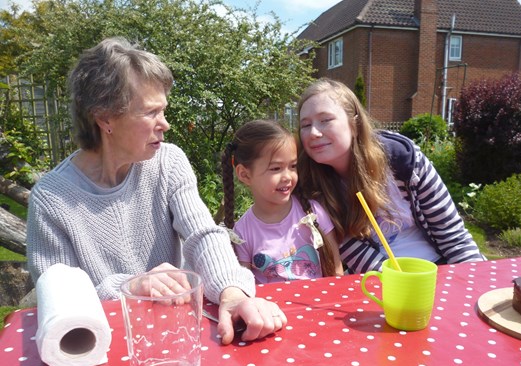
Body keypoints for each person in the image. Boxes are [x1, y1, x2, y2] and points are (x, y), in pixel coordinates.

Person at [26, 37, 286, 345]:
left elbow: (202, 234)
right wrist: (131, 287)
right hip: (101, 348)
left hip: (174, 338)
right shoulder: (51, 199)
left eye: (163, 111)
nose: (165, 124)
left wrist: (232, 292)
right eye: (151, 112)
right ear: (105, 118)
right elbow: (60, 299)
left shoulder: (168, 161)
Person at [297, 78, 485, 273]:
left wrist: (471, 278)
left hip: (439, 268)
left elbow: (453, 237)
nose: (313, 133)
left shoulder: (403, 159)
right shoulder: (310, 185)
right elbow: (354, 252)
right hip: (381, 278)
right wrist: (398, 282)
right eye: (305, 125)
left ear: (354, 124)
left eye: (325, 120)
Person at [221, 119, 343, 283]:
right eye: (276, 168)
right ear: (244, 174)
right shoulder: (242, 232)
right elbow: (244, 287)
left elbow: (336, 271)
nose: (287, 176)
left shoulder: (313, 213)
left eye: (293, 166)